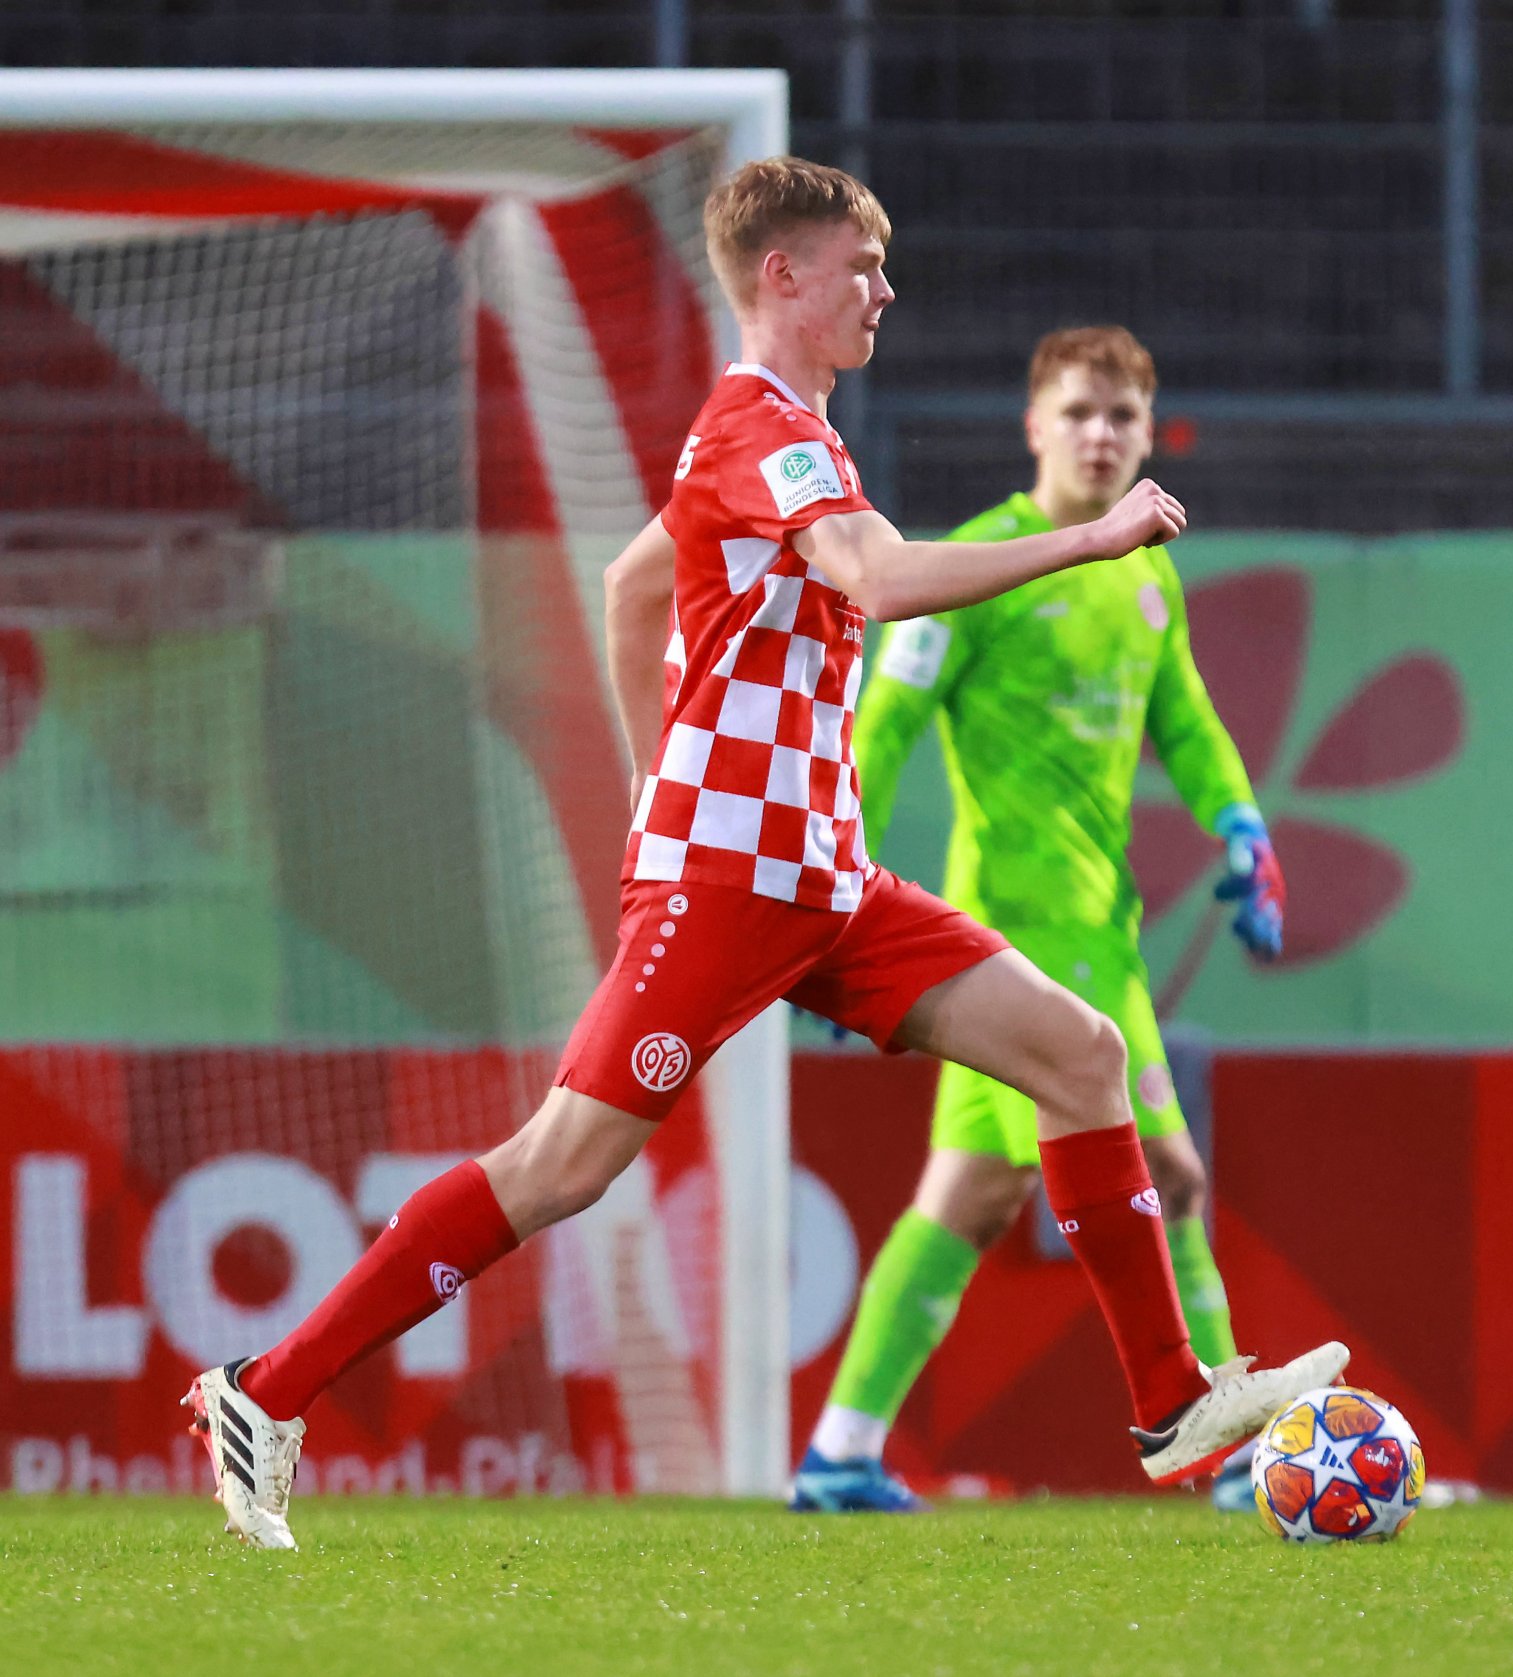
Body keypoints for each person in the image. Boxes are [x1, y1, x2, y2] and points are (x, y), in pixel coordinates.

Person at [181, 159, 1343, 1550]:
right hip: (729, 888)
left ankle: (1170, 1402)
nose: (886, 292)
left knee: (1083, 1055)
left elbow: (631, 592)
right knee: (561, 1167)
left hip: (827, 884)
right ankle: (267, 1390)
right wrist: (1092, 538)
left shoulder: (779, 438)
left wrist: (643, 783)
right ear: (782, 277)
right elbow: (880, 575)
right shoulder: (759, 424)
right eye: (862, 267)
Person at [790, 326, 1290, 1516]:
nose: (1102, 436)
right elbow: (881, 728)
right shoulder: (974, 566)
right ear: (1034, 429)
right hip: (1017, 934)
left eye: (1123, 418)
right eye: (1079, 414)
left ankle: (840, 1453)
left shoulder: (1147, 574)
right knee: (1168, 1174)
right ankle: (1232, 1453)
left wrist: (1241, 824)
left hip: (1098, 930)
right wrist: (830, 886)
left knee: (967, 1193)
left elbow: (1190, 723)